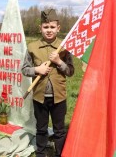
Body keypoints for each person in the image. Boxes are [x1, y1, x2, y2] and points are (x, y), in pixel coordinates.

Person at [22, 9, 75, 157]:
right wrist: (37, 69)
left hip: (59, 97)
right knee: (41, 128)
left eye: (52, 27)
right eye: (46, 27)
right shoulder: (32, 47)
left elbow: (70, 71)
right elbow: (24, 69)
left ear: (58, 28)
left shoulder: (64, 48)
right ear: (40, 29)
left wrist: (59, 61)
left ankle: (60, 153)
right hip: (40, 97)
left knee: (59, 129)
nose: (49, 30)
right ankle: (40, 153)